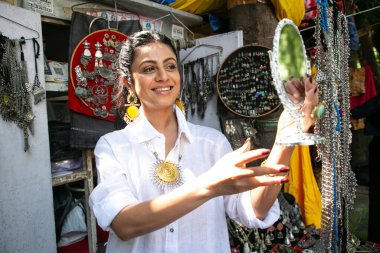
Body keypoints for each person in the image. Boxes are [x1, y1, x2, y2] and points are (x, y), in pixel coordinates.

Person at [89, 30, 319, 253]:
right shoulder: (113, 146)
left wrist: (286, 138)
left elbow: (254, 210)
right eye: (149, 69)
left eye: (170, 66)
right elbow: (124, 224)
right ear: (128, 83)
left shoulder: (212, 143)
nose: (163, 76)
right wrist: (208, 186)